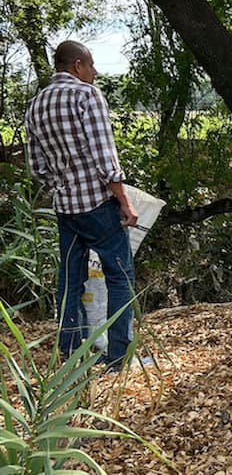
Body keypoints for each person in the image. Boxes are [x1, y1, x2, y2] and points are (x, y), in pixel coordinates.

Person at [25, 40, 138, 371]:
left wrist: (61, 185)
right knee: (120, 277)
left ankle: (70, 352)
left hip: (66, 209)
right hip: (97, 207)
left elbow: (37, 167)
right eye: (91, 68)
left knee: (70, 280)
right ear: (77, 66)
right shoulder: (87, 96)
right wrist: (125, 201)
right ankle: (117, 358)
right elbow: (105, 157)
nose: (94, 74)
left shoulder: (35, 105)